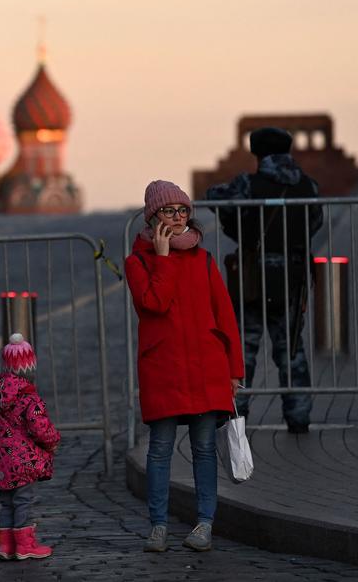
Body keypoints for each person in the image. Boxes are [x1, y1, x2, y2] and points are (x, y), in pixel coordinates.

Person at [125, 180, 244, 553]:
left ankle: (204, 523)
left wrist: (235, 370)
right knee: (160, 449)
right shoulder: (138, 262)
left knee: (205, 448)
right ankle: (158, 526)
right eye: (168, 211)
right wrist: (162, 258)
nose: (178, 219)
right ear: (153, 216)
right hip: (164, 367)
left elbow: (225, 317)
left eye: (182, 211)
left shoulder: (204, 259)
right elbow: (154, 304)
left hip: (207, 367)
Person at [206, 126, 323, 433]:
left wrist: (241, 232)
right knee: (292, 350)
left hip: (252, 279)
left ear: (257, 154)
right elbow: (316, 223)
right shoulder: (308, 187)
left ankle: (235, 415)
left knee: (244, 350)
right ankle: (299, 415)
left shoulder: (248, 184)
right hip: (292, 278)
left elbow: (215, 197)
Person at [0, 332, 60, 561]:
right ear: (29, 368)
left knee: (6, 504)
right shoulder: (29, 398)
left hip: (1, 462)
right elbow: (40, 427)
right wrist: (53, 441)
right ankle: (25, 545)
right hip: (23, 461)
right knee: (24, 502)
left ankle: (6, 546)